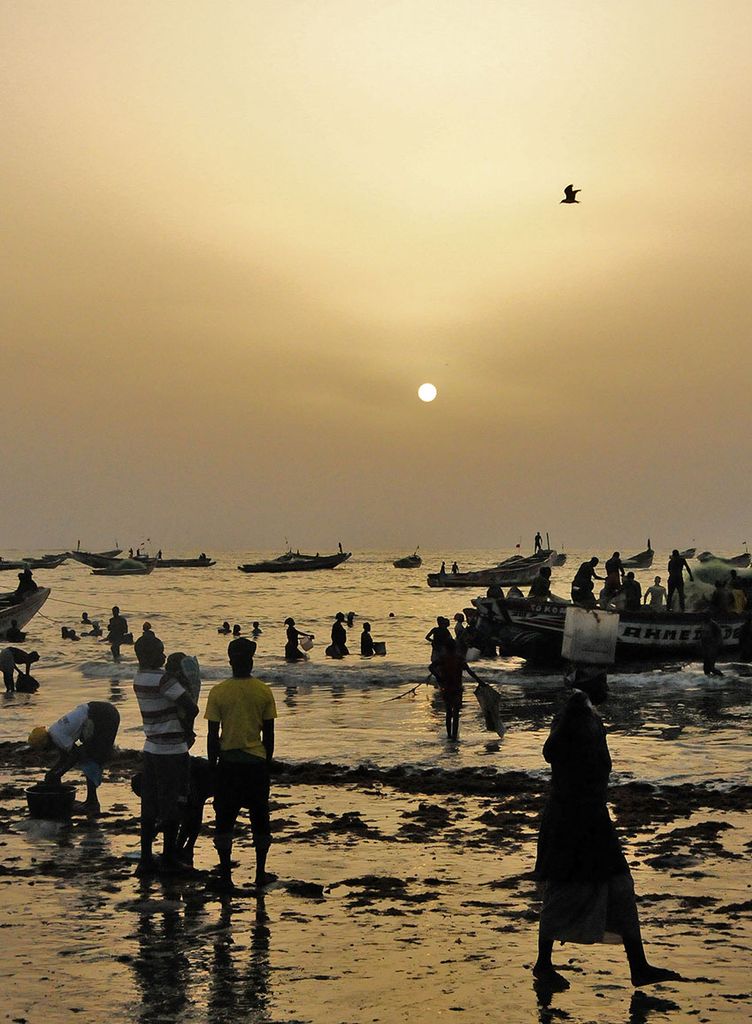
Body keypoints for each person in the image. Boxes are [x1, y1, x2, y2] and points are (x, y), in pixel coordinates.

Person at [533, 668, 682, 991]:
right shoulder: (572, 715)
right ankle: (543, 964)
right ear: (587, 685)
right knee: (563, 890)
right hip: (571, 820)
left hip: (593, 817)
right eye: (601, 682)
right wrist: (572, 714)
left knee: (620, 887)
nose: (607, 687)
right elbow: (550, 752)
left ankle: (638, 966)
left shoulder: (588, 715)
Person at [205, 637, 277, 893]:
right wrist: (266, 763)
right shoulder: (263, 691)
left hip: (228, 764)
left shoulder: (219, 691)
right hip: (255, 763)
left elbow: (213, 735)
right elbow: (268, 735)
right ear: (251, 662)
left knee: (224, 819)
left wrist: (213, 766)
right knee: (260, 817)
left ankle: (225, 874)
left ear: (230, 663)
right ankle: (259, 872)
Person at [132, 628, 198, 875]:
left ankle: (146, 859)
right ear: (150, 655)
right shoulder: (163, 680)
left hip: (151, 748)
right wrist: (187, 728)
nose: (163, 654)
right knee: (175, 802)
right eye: (160, 651)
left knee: (149, 804)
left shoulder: (139, 678)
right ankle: (169, 857)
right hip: (172, 750)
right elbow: (190, 708)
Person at [27, 701, 120, 815]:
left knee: (91, 758)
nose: (47, 751)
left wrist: (58, 774)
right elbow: (64, 757)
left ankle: (92, 803)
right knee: (89, 754)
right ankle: (91, 801)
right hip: (100, 711)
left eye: (45, 749)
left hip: (102, 715)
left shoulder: (58, 737)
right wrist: (53, 772)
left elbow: (74, 756)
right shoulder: (55, 732)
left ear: (46, 744)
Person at [428, 638, 483, 740]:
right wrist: (480, 681)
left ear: (446, 648)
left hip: (446, 687)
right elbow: (470, 672)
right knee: (456, 713)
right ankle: (454, 736)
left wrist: (438, 677)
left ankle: (449, 735)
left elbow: (431, 667)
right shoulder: (459, 659)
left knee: (448, 712)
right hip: (457, 688)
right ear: (455, 648)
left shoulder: (443, 658)